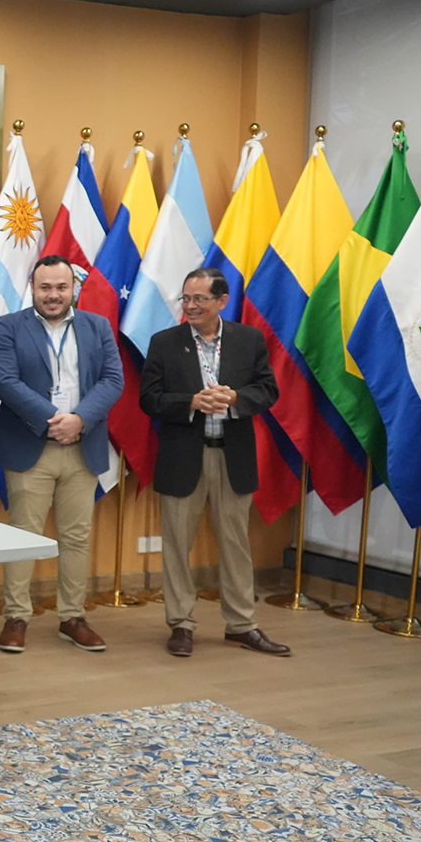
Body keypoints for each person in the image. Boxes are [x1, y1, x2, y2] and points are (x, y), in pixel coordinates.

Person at [140, 267, 290, 659]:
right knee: (176, 544)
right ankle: (181, 624)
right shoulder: (164, 343)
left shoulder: (248, 339)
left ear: (222, 301)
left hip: (233, 456)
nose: (190, 306)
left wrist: (236, 398)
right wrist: (190, 402)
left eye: (199, 299)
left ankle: (242, 625)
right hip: (183, 457)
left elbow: (268, 390)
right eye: (186, 298)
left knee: (236, 543)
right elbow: (149, 399)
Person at [0, 255, 123, 654]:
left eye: (61, 287)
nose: (53, 295)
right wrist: (53, 419)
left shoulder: (97, 326)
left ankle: (72, 616)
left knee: (76, 537)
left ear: (73, 288)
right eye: (45, 287)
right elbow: (4, 380)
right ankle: (16, 616)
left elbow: (113, 380)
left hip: (82, 447)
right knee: (22, 535)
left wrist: (79, 419)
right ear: (32, 287)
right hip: (31, 446)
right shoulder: (10, 326)